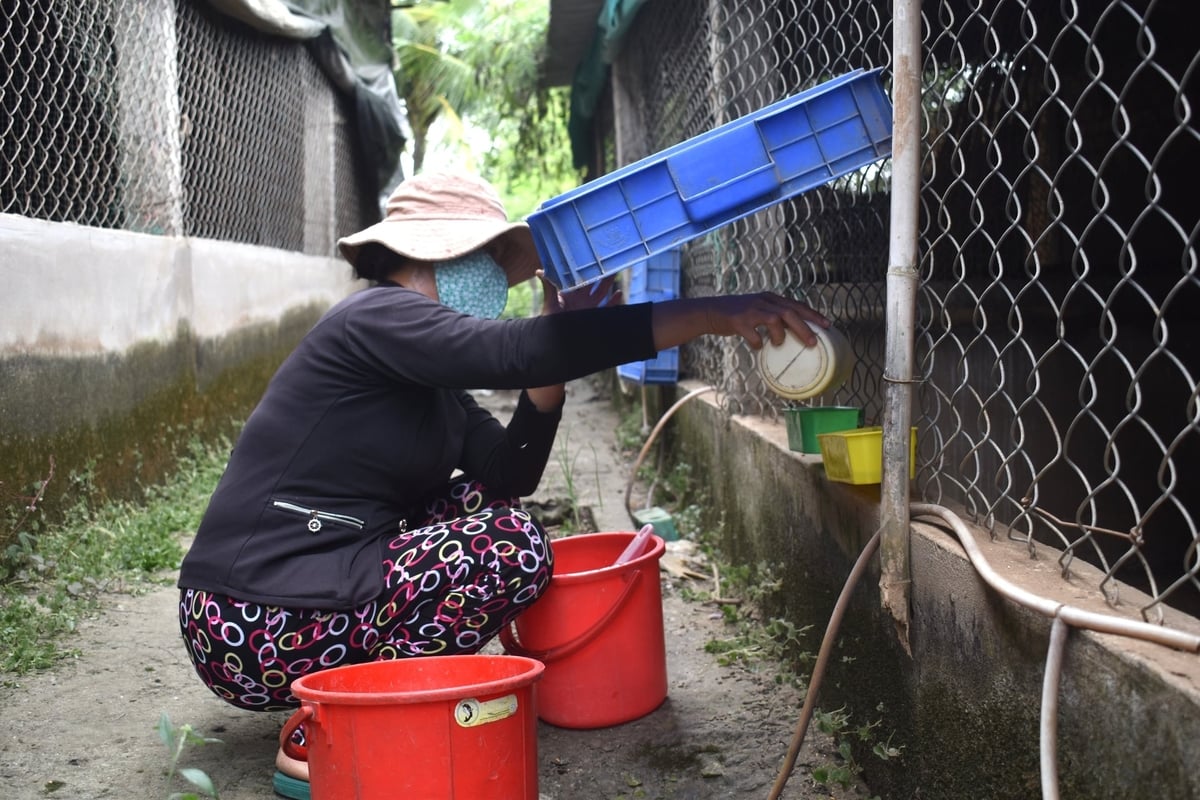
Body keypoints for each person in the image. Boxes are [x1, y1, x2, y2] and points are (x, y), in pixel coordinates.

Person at [176, 170, 829, 793]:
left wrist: (553, 354)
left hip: (307, 595)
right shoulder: (376, 316)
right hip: (249, 614)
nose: (495, 275)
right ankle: (339, 726)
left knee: (484, 507)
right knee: (509, 546)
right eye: (487, 255)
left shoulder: (426, 372)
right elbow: (519, 351)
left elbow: (507, 470)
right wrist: (713, 314)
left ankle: (350, 704)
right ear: (442, 254)